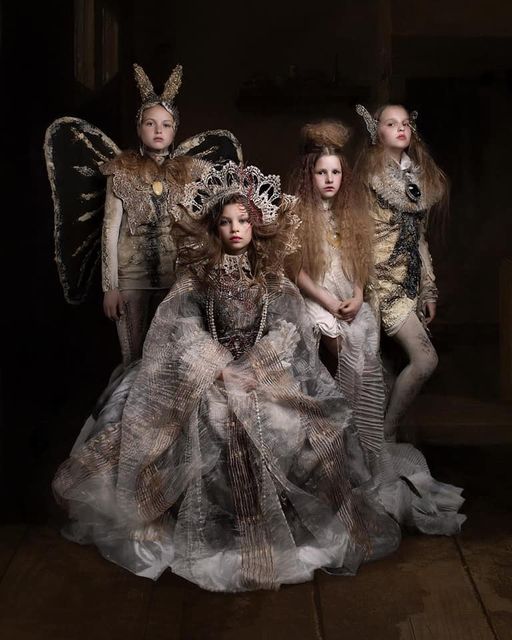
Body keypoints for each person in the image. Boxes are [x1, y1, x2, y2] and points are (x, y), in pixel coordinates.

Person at [52, 161, 402, 592]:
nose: (235, 229)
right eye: (225, 222)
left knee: (294, 423)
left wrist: (257, 365)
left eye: (243, 221)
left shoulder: (271, 278)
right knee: (202, 424)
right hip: (208, 374)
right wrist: (217, 366)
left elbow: (287, 328)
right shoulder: (198, 277)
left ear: (257, 226)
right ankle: (212, 522)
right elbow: (181, 326)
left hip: (260, 373)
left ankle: (275, 522)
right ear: (213, 228)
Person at [44, 63, 242, 367]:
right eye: (150, 123)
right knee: (133, 360)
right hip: (131, 280)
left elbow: (199, 225)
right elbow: (109, 229)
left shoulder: (190, 171)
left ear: (175, 130)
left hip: (174, 278)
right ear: (139, 128)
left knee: (169, 360)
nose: (158, 130)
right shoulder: (120, 170)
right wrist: (110, 288)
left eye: (166, 124)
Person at [289, 120, 384, 458]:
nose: (329, 179)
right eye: (321, 173)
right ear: (309, 175)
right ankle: (339, 438)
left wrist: (357, 296)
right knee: (347, 356)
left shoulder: (351, 213)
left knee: (366, 366)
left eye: (335, 172)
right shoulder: (296, 213)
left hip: (348, 297)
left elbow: (359, 265)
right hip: (316, 298)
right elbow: (296, 271)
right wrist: (328, 301)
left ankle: (361, 440)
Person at [354, 104, 448, 441]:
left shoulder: (417, 177)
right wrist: (361, 286)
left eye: (405, 123)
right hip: (380, 282)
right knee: (424, 359)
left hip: (409, 283)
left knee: (393, 366)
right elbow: (359, 237)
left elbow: (419, 239)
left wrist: (428, 289)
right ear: (376, 130)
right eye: (391, 123)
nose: (401, 128)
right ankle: (385, 432)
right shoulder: (369, 178)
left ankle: (384, 441)